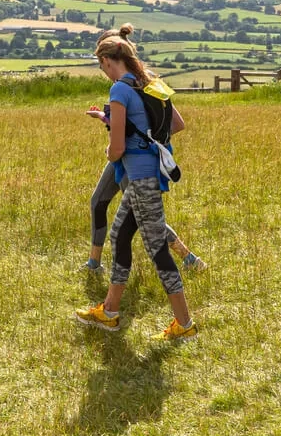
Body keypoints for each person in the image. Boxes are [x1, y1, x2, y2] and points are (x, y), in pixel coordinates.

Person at [75, 25, 198, 341]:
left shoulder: (119, 90)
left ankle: (184, 325)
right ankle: (110, 312)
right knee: (119, 235)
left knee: (158, 250)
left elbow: (115, 150)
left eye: (102, 67)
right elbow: (178, 124)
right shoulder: (150, 81)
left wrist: (115, 149)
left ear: (107, 61)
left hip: (140, 180)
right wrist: (148, 142)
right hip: (151, 174)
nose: (105, 73)